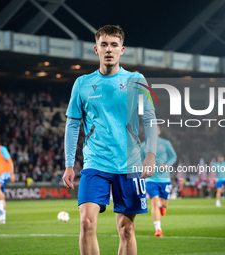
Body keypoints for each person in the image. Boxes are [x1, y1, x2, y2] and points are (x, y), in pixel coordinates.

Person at [62, 25, 157, 255]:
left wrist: (151, 155)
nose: (109, 50)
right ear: (96, 49)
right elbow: (73, 124)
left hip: (130, 164)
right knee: (86, 224)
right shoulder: (82, 84)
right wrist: (68, 164)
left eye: (114, 45)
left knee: (127, 230)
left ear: (122, 50)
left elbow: (150, 119)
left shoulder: (136, 79)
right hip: (95, 163)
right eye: (104, 44)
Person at [141, 126, 177, 237]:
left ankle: (163, 206)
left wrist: (167, 165)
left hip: (165, 178)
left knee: (164, 203)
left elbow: (174, 156)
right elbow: (141, 161)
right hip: (151, 179)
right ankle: (158, 229)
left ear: (159, 132)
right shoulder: (143, 146)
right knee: (154, 202)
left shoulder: (165, 143)